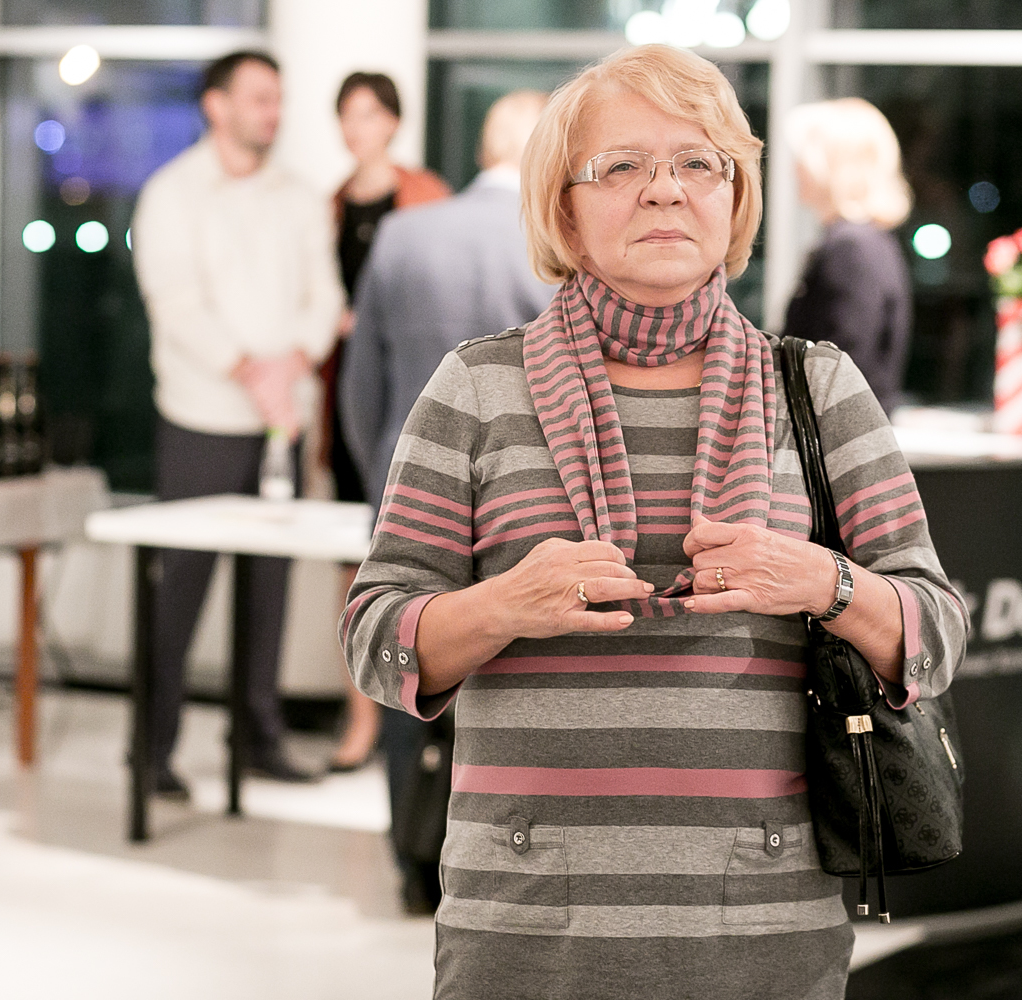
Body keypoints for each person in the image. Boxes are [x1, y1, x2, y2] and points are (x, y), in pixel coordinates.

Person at [341, 45, 968, 999]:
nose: (665, 189)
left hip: (765, 929)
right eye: (621, 165)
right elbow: (373, 638)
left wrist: (822, 581)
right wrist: (506, 604)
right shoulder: (475, 387)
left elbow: (937, 631)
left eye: (697, 162)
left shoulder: (818, 386)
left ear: (735, 197)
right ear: (564, 208)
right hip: (524, 930)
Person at [339, 88, 553, 913]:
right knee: (515, 680)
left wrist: (383, 475)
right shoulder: (552, 241)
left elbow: (361, 385)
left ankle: (411, 859)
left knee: (411, 666)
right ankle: (501, 861)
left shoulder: (404, 233)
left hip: (406, 488)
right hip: (526, 509)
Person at [132, 51, 342, 788]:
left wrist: (293, 364)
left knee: (268, 593)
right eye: (258, 99)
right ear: (216, 105)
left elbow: (325, 298)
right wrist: (255, 372)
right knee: (178, 593)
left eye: (278, 99)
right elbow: (176, 303)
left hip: (282, 423)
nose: (272, 113)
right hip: (202, 419)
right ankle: (151, 753)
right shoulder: (172, 193)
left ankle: (256, 740)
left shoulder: (301, 196)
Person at [324, 71, 449, 774]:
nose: (357, 128)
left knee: (411, 559)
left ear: (394, 122)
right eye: (347, 115)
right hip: (350, 392)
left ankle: (412, 723)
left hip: (407, 398)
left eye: (369, 113)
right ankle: (362, 717)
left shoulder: (425, 198)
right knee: (353, 566)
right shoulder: (331, 204)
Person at [782, 97, 913, 414]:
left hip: (836, 434)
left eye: (803, 157)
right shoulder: (865, 242)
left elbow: (841, 365)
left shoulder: (852, 248)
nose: (795, 168)